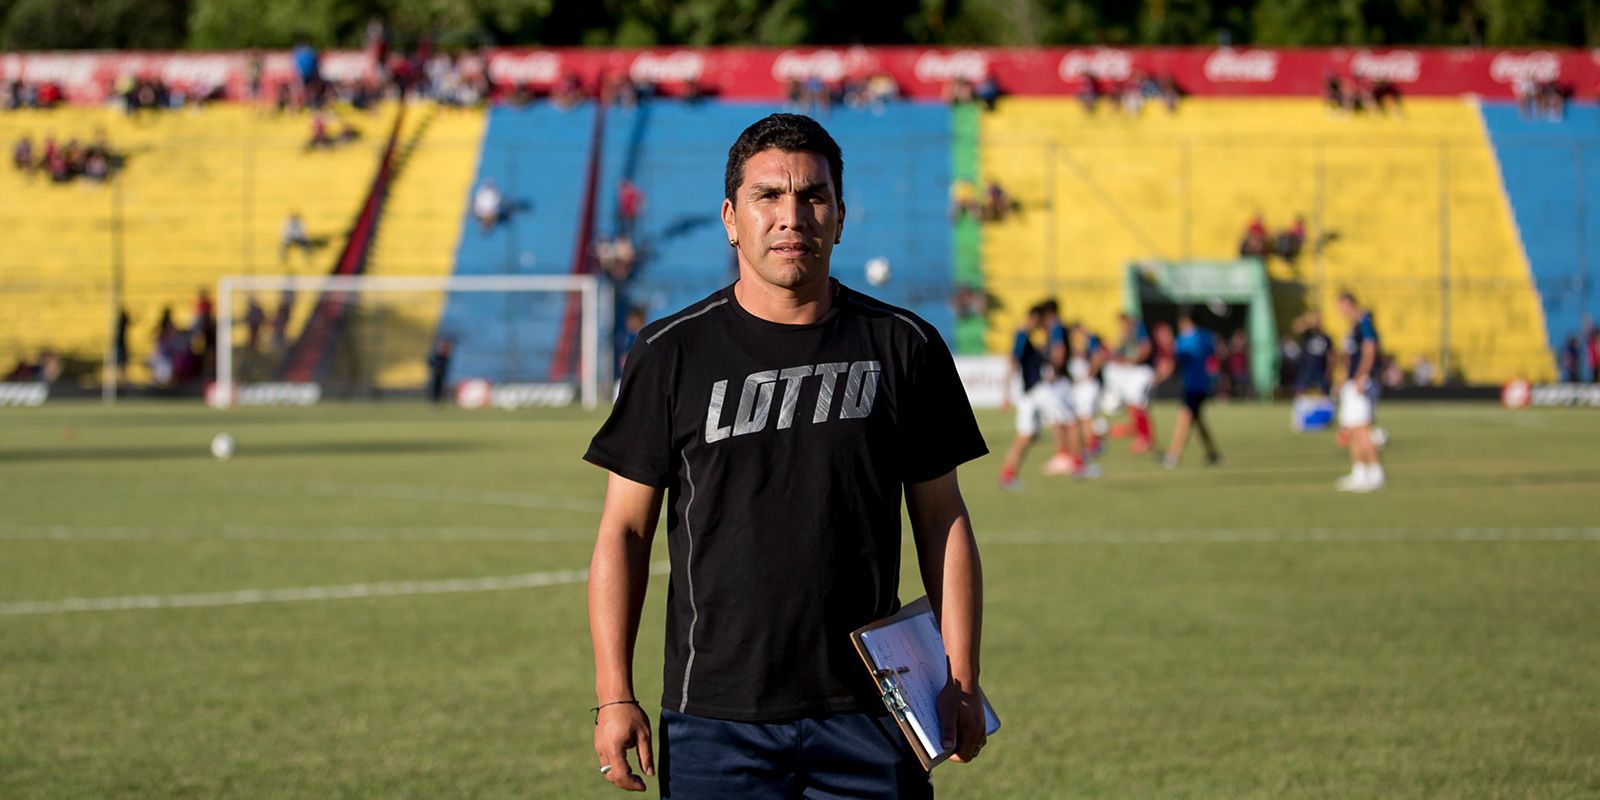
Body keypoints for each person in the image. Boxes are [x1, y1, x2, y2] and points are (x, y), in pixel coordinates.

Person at [585, 113, 989, 797]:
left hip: (872, 713)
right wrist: (613, 693)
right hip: (714, 718)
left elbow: (942, 519)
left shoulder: (905, 346)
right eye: (767, 196)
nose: (790, 215)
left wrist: (962, 675)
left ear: (839, 216)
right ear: (730, 218)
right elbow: (623, 532)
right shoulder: (670, 353)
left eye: (813, 196)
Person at [999, 304, 1078, 489]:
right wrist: (1006, 393)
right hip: (1037, 390)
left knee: (1027, 435)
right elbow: (1013, 361)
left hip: (1030, 394)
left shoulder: (1026, 337)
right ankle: (1067, 459)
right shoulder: (1021, 335)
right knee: (1067, 418)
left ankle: (1008, 475)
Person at [1336, 291, 1385, 492]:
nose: (1340, 310)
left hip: (1362, 382)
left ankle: (1376, 473)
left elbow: (1370, 350)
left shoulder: (1365, 322)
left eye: (1342, 305)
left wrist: (1361, 376)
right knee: (1354, 430)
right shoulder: (1354, 326)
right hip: (1352, 381)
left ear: (1351, 304)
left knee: (1363, 429)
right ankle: (1359, 473)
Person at [1162, 313, 1221, 469]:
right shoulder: (1206, 336)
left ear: (1186, 322)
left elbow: (1176, 358)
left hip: (1193, 385)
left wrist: (1167, 343)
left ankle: (1174, 455)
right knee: (1197, 420)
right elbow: (1216, 352)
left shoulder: (1185, 339)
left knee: (1185, 417)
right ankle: (1213, 452)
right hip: (1202, 384)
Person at [1103, 312, 1158, 454]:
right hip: (1132, 372)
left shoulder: (1138, 329)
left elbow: (1146, 348)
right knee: (1133, 405)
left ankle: (1145, 438)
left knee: (1136, 403)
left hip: (1140, 371)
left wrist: (1131, 361)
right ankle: (1142, 436)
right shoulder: (1124, 335)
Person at [1295, 311, 1334, 396]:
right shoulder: (1307, 334)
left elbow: (1330, 355)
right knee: (1300, 388)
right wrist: (1307, 321)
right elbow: (1296, 327)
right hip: (1306, 367)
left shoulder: (1325, 337)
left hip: (1321, 368)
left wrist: (1329, 370)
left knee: (1323, 390)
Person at [427, 337, 453, 406]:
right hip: (436, 375)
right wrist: (435, 369)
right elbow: (431, 363)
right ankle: (434, 401)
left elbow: (447, 366)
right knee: (435, 387)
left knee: (443, 387)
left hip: (443, 375)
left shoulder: (446, 357)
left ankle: (441, 401)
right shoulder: (436, 356)